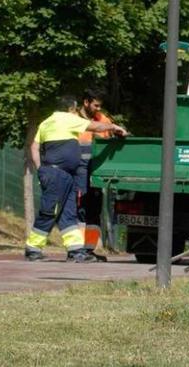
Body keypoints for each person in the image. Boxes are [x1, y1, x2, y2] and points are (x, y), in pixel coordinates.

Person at [24, 95, 127, 262]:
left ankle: (75, 251)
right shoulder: (68, 119)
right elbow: (96, 126)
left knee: (68, 214)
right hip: (58, 174)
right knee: (50, 211)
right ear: (71, 108)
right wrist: (114, 127)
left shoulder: (45, 122)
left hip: (62, 174)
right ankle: (33, 248)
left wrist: (40, 169)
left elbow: (34, 146)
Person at [76, 88, 114, 261]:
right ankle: (77, 250)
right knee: (80, 211)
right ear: (86, 102)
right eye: (96, 105)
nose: (98, 109)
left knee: (94, 212)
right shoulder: (73, 120)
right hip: (78, 172)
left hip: (96, 174)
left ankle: (89, 250)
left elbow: (110, 141)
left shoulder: (104, 120)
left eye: (100, 106)